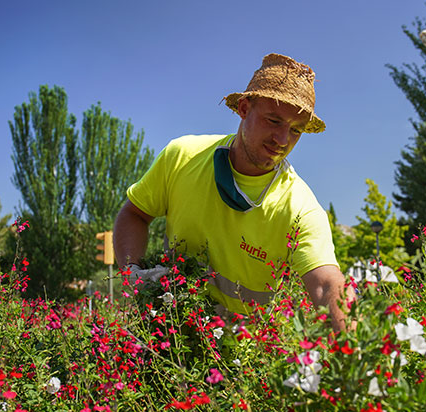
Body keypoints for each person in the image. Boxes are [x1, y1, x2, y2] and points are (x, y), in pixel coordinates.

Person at [114, 53, 354, 332]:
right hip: (169, 335)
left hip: (243, 361)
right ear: (243, 107)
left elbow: (326, 285)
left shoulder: (300, 208)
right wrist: (133, 274)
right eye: (274, 121)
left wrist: (356, 356)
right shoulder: (183, 157)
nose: (283, 140)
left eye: (296, 130)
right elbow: (134, 214)